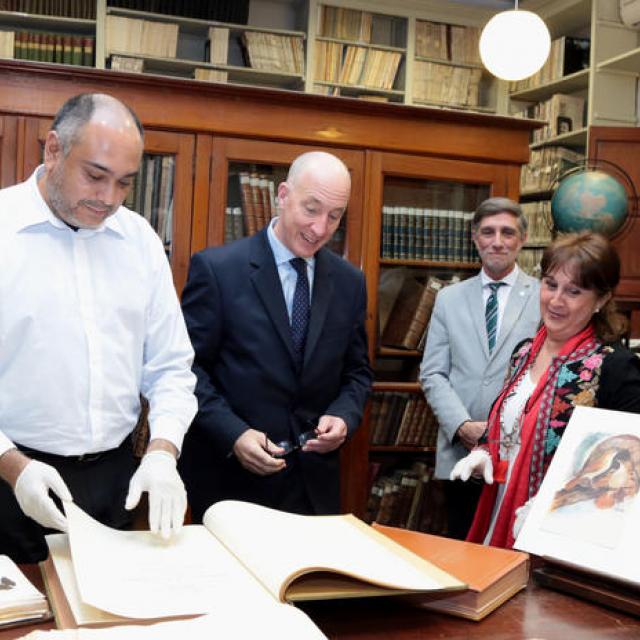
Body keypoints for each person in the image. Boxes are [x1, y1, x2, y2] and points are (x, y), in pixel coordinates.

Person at [0, 93, 197, 563]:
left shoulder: (140, 241)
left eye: (124, 183)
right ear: (53, 150)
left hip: (113, 480)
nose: (108, 198)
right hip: (9, 478)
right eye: (95, 175)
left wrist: (163, 452)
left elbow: (171, 367)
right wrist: (13, 467)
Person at [180, 150, 372, 521]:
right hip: (231, 484)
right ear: (282, 195)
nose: (320, 228)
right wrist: (233, 434)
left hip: (313, 487)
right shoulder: (218, 270)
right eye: (311, 209)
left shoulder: (350, 282)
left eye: (334, 216)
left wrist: (343, 417)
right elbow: (187, 371)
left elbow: (357, 373)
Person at [453, 231, 640, 548]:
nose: (555, 300)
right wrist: (485, 451)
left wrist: (555, 507)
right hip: (497, 508)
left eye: (574, 291)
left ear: (602, 299)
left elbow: (627, 469)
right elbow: (509, 423)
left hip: (562, 534)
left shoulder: (615, 369)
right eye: (550, 284)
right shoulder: (524, 353)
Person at [419, 197, 540, 539]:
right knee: (463, 548)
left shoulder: (543, 296)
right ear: (474, 237)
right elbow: (433, 373)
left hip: (518, 449)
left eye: (507, 232)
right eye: (488, 232)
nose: (497, 241)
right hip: (462, 452)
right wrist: (461, 425)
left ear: (523, 238)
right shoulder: (449, 298)